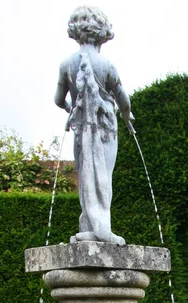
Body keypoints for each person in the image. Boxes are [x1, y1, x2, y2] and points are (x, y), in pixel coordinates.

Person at [54, 6, 135, 244]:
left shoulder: (66, 64)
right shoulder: (107, 65)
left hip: (81, 129)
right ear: (102, 32)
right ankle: (102, 228)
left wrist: (72, 111)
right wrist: (127, 117)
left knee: (86, 173)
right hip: (106, 128)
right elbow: (124, 100)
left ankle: (89, 226)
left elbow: (58, 100)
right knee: (103, 176)